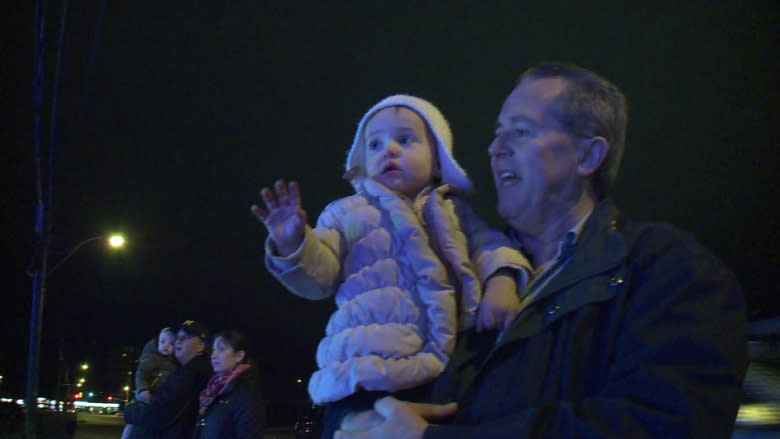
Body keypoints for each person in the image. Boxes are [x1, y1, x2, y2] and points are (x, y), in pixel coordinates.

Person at [332, 63, 748, 438]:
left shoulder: (669, 266)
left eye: (521, 131)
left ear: (587, 155)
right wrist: (347, 424)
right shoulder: (460, 266)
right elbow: (370, 369)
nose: (495, 148)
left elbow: (665, 423)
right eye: (497, 132)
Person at [251, 94, 532, 437]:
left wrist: (501, 281)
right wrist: (293, 242)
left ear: (438, 160)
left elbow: (490, 246)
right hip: (365, 373)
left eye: (405, 139)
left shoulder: (455, 211)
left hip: (445, 368)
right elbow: (319, 277)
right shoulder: (347, 212)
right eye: (375, 143)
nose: (390, 150)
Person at [124, 320, 213, 439]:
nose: (178, 341)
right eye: (178, 337)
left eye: (185, 337)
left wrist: (130, 410)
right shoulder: (185, 370)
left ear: (201, 346)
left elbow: (158, 414)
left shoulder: (189, 374)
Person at [193, 330, 266, 438]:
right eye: (213, 350)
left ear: (239, 356)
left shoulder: (247, 395)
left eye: (221, 349)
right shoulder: (213, 390)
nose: (213, 355)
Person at [121, 327, 178, 439]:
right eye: (163, 341)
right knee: (134, 422)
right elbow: (141, 373)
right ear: (157, 342)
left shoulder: (173, 363)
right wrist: (143, 389)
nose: (166, 345)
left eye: (171, 343)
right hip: (145, 395)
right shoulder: (151, 357)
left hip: (156, 399)